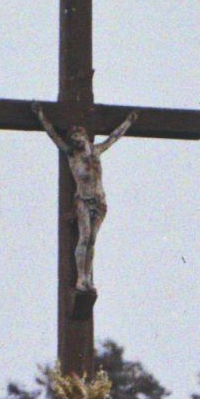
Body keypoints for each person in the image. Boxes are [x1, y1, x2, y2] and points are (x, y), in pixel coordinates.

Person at [34, 104, 135, 315]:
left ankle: (89, 278)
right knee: (84, 236)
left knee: (92, 241)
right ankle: (81, 279)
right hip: (83, 200)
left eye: (78, 135)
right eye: (73, 137)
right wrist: (41, 116)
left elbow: (115, 137)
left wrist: (129, 122)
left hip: (99, 202)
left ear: (85, 135)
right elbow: (53, 135)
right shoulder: (72, 155)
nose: (76, 139)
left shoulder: (96, 151)